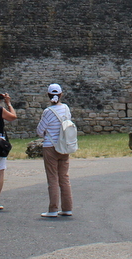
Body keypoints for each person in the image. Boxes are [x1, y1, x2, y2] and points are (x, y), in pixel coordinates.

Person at [36, 83, 73, 218]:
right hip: (64, 145)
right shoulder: (65, 109)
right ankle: (67, 207)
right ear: (61, 94)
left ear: (48, 95)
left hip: (50, 146)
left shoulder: (48, 112)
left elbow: (40, 131)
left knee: (52, 178)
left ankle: (53, 209)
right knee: (64, 177)